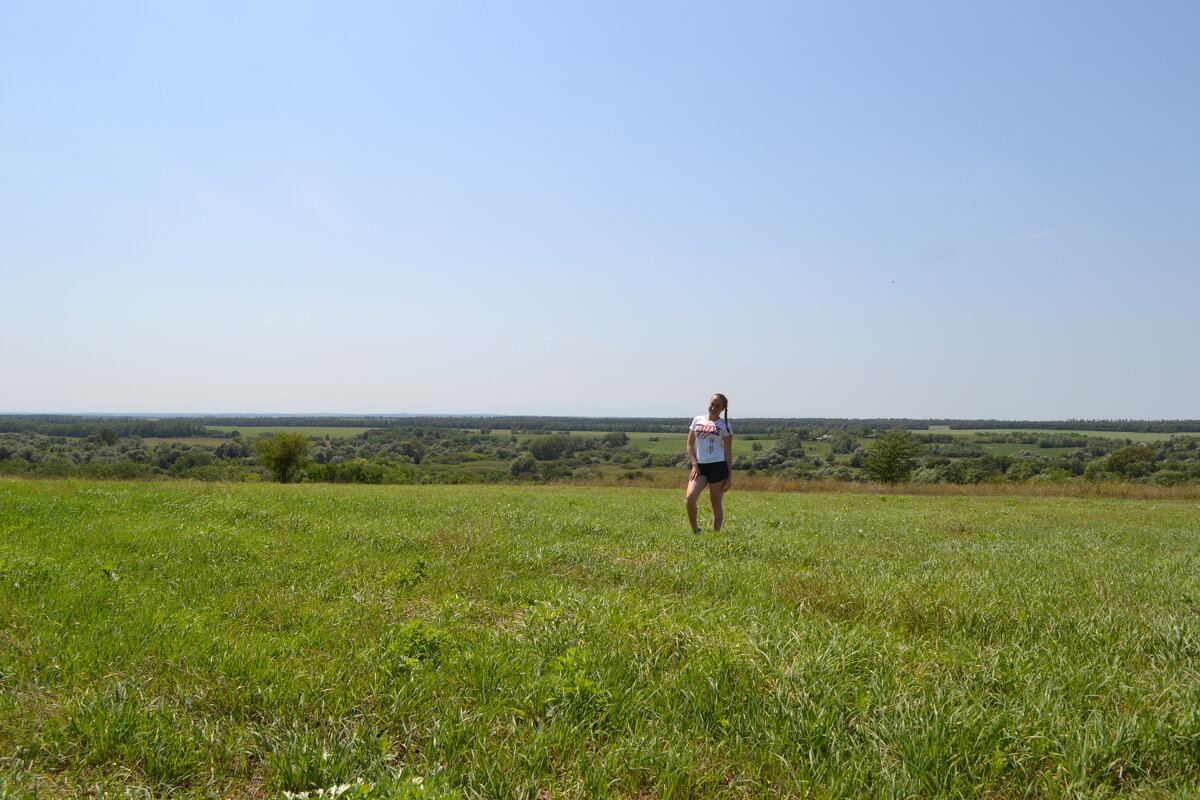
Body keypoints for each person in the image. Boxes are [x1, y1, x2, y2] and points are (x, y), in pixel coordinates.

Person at [686, 393, 733, 532]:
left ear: (723, 409)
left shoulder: (725, 425)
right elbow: (689, 445)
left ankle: (716, 535)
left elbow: (728, 452)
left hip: (718, 467)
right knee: (690, 498)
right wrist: (694, 465)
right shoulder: (697, 420)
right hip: (700, 467)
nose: (713, 407)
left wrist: (730, 476)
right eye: (712, 404)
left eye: (718, 406)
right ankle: (695, 530)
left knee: (716, 504)